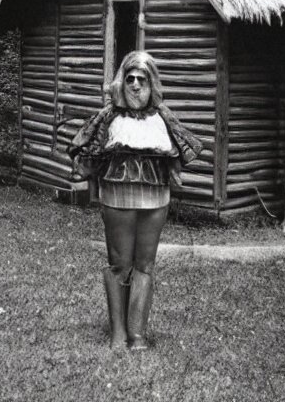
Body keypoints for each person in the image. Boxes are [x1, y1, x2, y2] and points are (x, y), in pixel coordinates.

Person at [68, 51, 202, 350]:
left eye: (143, 79)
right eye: (130, 79)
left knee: (145, 264)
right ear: (122, 82)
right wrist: (88, 172)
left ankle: (137, 335)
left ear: (152, 83)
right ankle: (118, 334)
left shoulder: (163, 116)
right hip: (117, 192)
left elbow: (182, 150)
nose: (136, 85)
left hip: (156, 195)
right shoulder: (108, 116)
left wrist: (175, 170)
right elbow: (84, 148)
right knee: (120, 263)